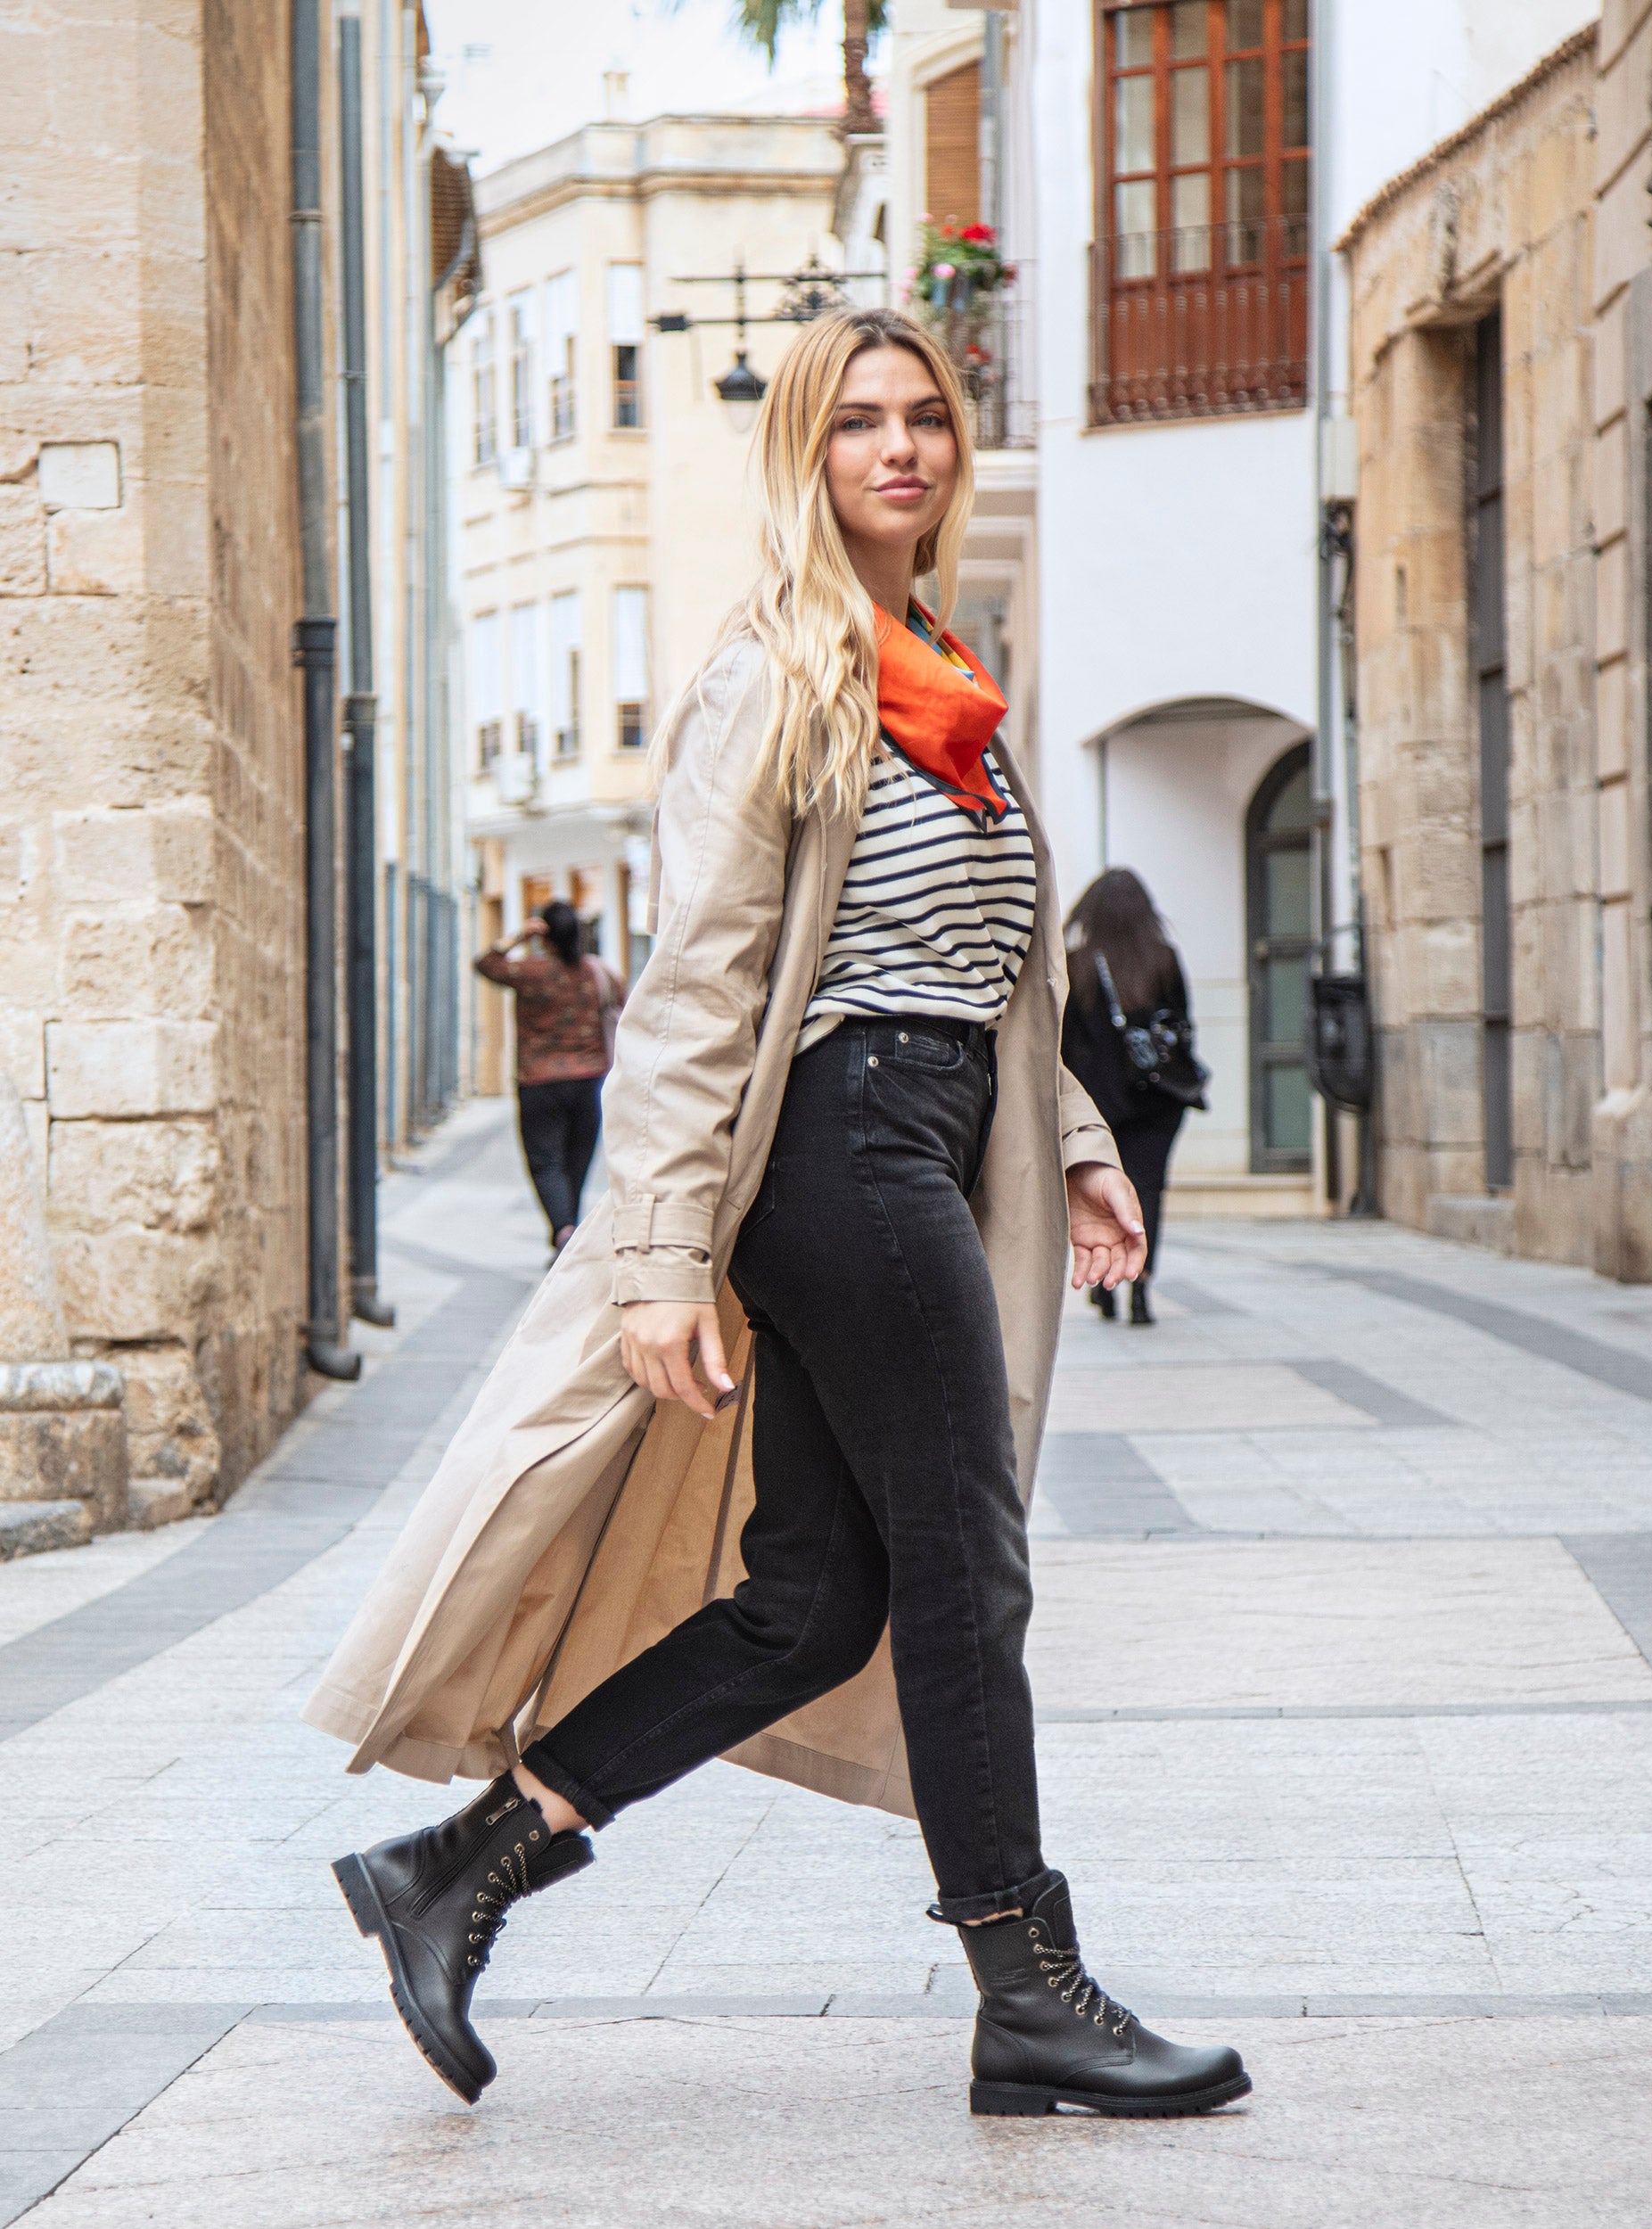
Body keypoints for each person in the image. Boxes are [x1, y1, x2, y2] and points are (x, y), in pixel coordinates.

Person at [311, 308, 1250, 2124]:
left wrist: (1065, 1131)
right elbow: (698, 986)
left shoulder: (949, 682)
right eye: (857, 424)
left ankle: (458, 1869)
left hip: (931, 1129)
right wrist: (661, 1253)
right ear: (804, 454)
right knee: (965, 1568)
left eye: (924, 418)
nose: (898, 447)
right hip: (841, 1154)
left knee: (817, 1595)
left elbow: (986, 969)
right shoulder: (781, 674)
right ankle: (1025, 1979)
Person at [1061, 869, 1195, 1327]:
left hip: (1097, 1104)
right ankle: (1140, 1288)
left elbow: (1062, 1043)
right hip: (1157, 1100)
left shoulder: (1074, 963)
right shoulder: (1163, 959)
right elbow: (1182, 1028)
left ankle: (1105, 1284)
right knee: (1149, 1190)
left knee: (1100, 1188)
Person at [474, 901, 626, 1252]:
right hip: (589, 1079)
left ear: (545, 935)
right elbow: (623, 1000)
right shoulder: (597, 973)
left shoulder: (530, 972)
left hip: (538, 1081)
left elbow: (485, 963)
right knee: (576, 1161)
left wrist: (518, 937)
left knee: (545, 1161)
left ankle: (563, 1229)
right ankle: (567, 1236)